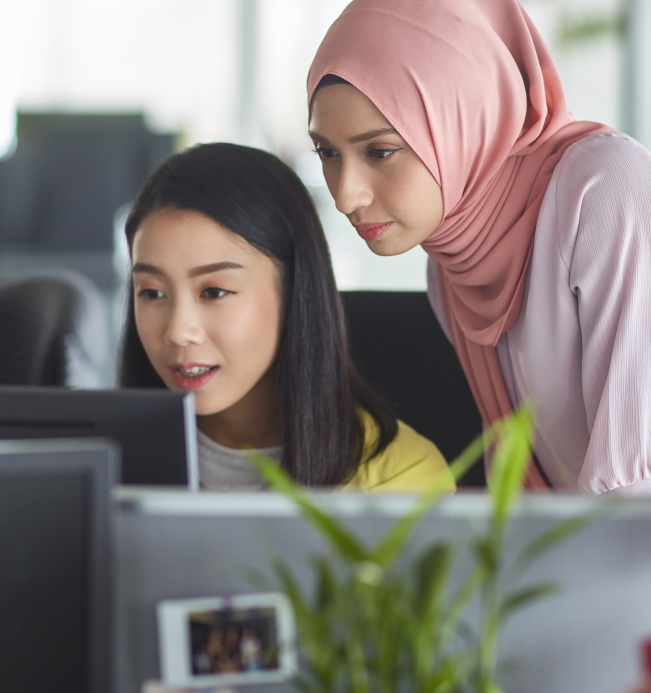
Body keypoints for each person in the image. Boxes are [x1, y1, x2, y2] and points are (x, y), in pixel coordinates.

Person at [305, 0, 651, 497]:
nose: (345, 194)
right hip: (640, 559)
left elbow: (646, 487)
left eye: (380, 151)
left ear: (461, 121)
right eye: (328, 154)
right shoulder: (455, 262)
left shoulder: (609, 194)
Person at [117, 142, 453, 491]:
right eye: (152, 293)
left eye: (214, 292)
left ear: (295, 294)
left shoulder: (400, 479)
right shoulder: (98, 459)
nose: (178, 331)